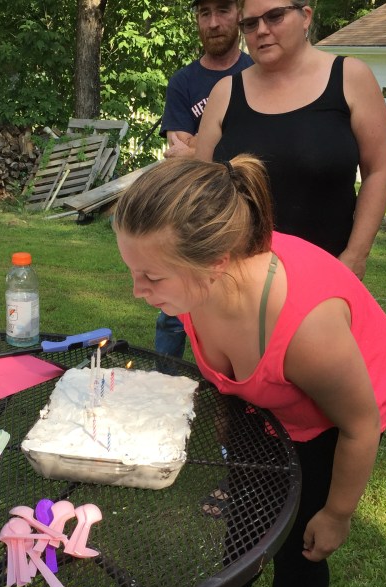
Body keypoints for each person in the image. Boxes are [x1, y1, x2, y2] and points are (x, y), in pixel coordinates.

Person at [113, 155, 386, 587]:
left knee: (300, 548)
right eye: (132, 270)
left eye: (151, 277)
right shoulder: (197, 285)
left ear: (217, 262)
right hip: (268, 395)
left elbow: (359, 426)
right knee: (247, 510)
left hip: (331, 419)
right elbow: (221, 369)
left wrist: (337, 514)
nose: (136, 291)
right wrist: (231, 418)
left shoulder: (309, 332)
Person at [194, 0, 386, 280]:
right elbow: (201, 187)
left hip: (326, 274)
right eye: (250, 23)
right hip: (237, 278)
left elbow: (378, 171)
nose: (261, 30)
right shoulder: (224, 93)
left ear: (306, 17)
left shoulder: (350, 78)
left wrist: (355, 256)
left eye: (275, 16)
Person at [155, 0, 254, 361]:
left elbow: (259, 150)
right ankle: (162, 378)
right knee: (173, 312)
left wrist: (202, 147)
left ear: (239, 14)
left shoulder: (256, 72)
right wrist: (227, 143)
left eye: (223, 10)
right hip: (193, 211)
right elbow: (178, 151)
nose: (213, 23)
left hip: (246, 210)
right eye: (204, 13)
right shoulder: (183, 82)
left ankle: (226, 382)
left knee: (239, 306)